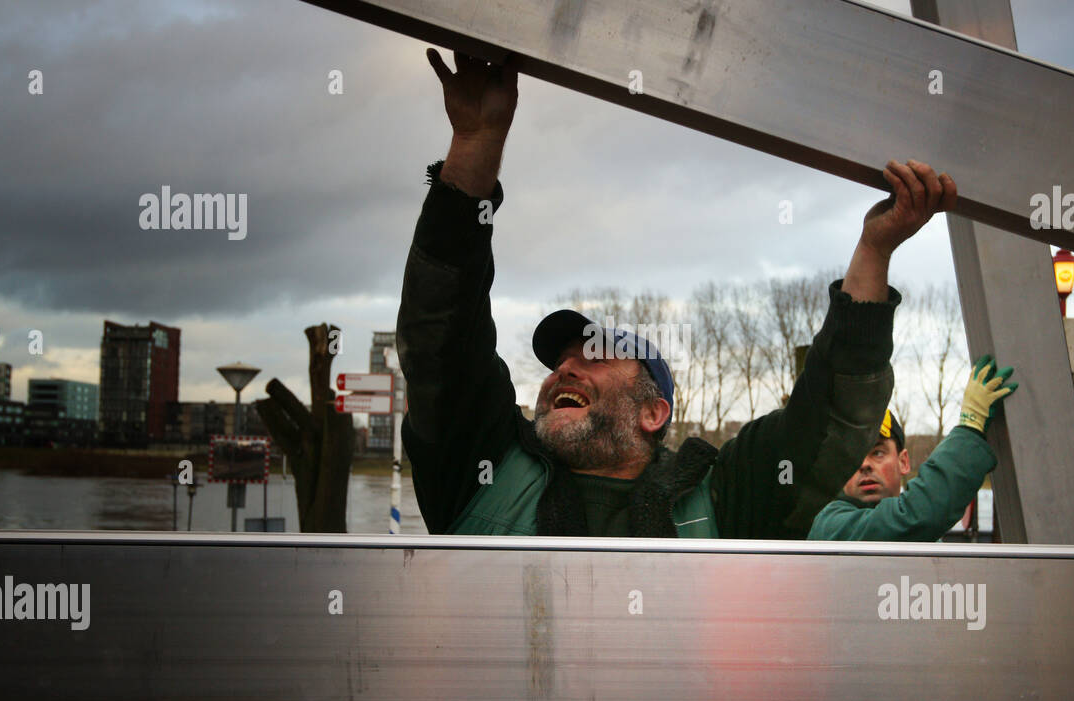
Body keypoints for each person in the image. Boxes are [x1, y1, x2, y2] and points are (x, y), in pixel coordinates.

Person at [396, 48, 958, 538]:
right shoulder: (481, 467)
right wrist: (475, 141)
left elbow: (831, 419)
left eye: (591, 355)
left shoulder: (724, 501)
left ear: (653, 412)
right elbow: (439, 331)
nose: (563, 370)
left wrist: (875, 250)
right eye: (561, 361)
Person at [807, 356, 1017, 542]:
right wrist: (970, 425)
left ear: (904, 462)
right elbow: (914, 516)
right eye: (853, 456)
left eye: (877, 452)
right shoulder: (830, 527)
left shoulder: (924, 537)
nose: (864, 465)